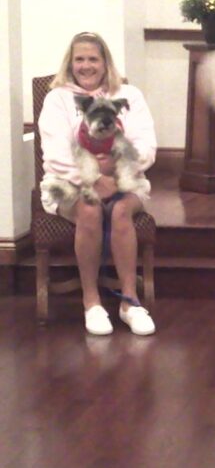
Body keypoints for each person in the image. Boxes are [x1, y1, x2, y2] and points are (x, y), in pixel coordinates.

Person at [39, 32, 157, 336]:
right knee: (89, 209)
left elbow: (146, 146)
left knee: (120, 211)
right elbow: (55, 155)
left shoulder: (129, 95)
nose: (86, 65)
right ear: (70, 63)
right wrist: (92, 179)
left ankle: (130, 303)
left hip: (126, 179)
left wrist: (114, 176)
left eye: (93, 59)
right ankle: (91, 303)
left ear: (105, 63)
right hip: (68, 183)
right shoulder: (57, 98)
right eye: (80, 59)